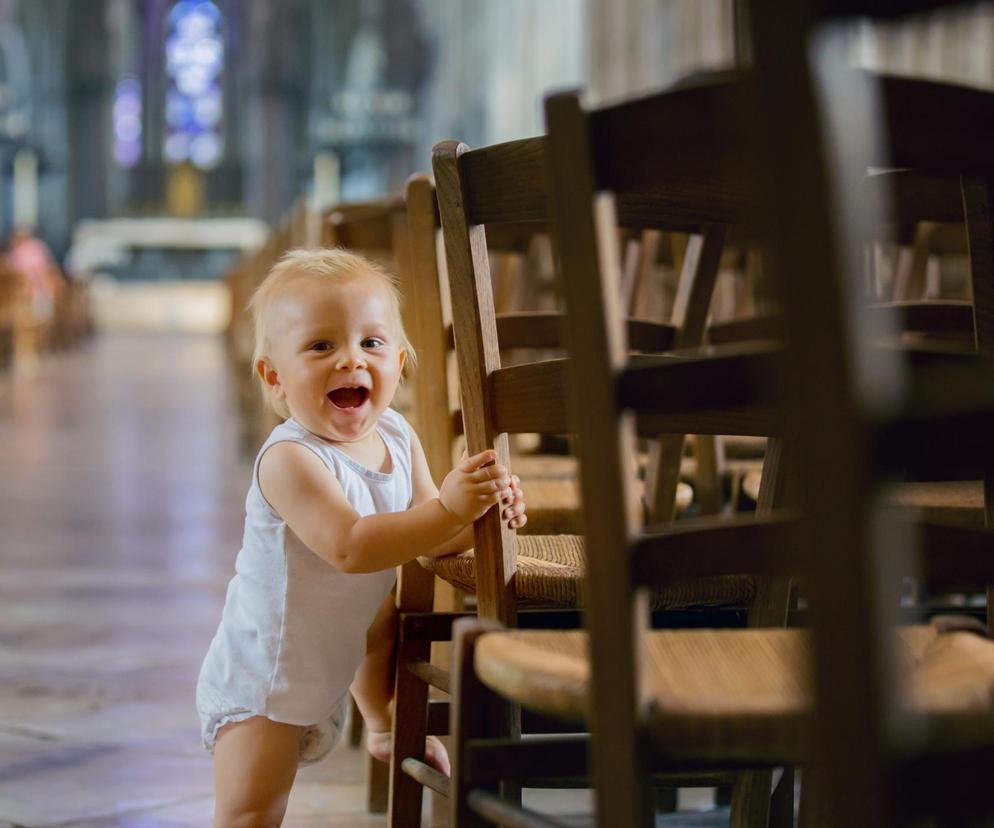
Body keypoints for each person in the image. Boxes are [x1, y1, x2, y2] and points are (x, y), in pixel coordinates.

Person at [197, 248, 526, 826]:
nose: (351, 359)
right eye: (322, 346)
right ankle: (373, 720)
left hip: (338, 651)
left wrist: (481, 513)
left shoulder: (397, 435)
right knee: (250, 814)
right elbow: (352, 546)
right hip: (264, 679)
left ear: (400, 361)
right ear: (274, 376)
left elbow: (428, 534)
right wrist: (449, 506)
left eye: (371, 343)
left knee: (381, 616)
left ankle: (381, 720)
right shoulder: (289, 459)